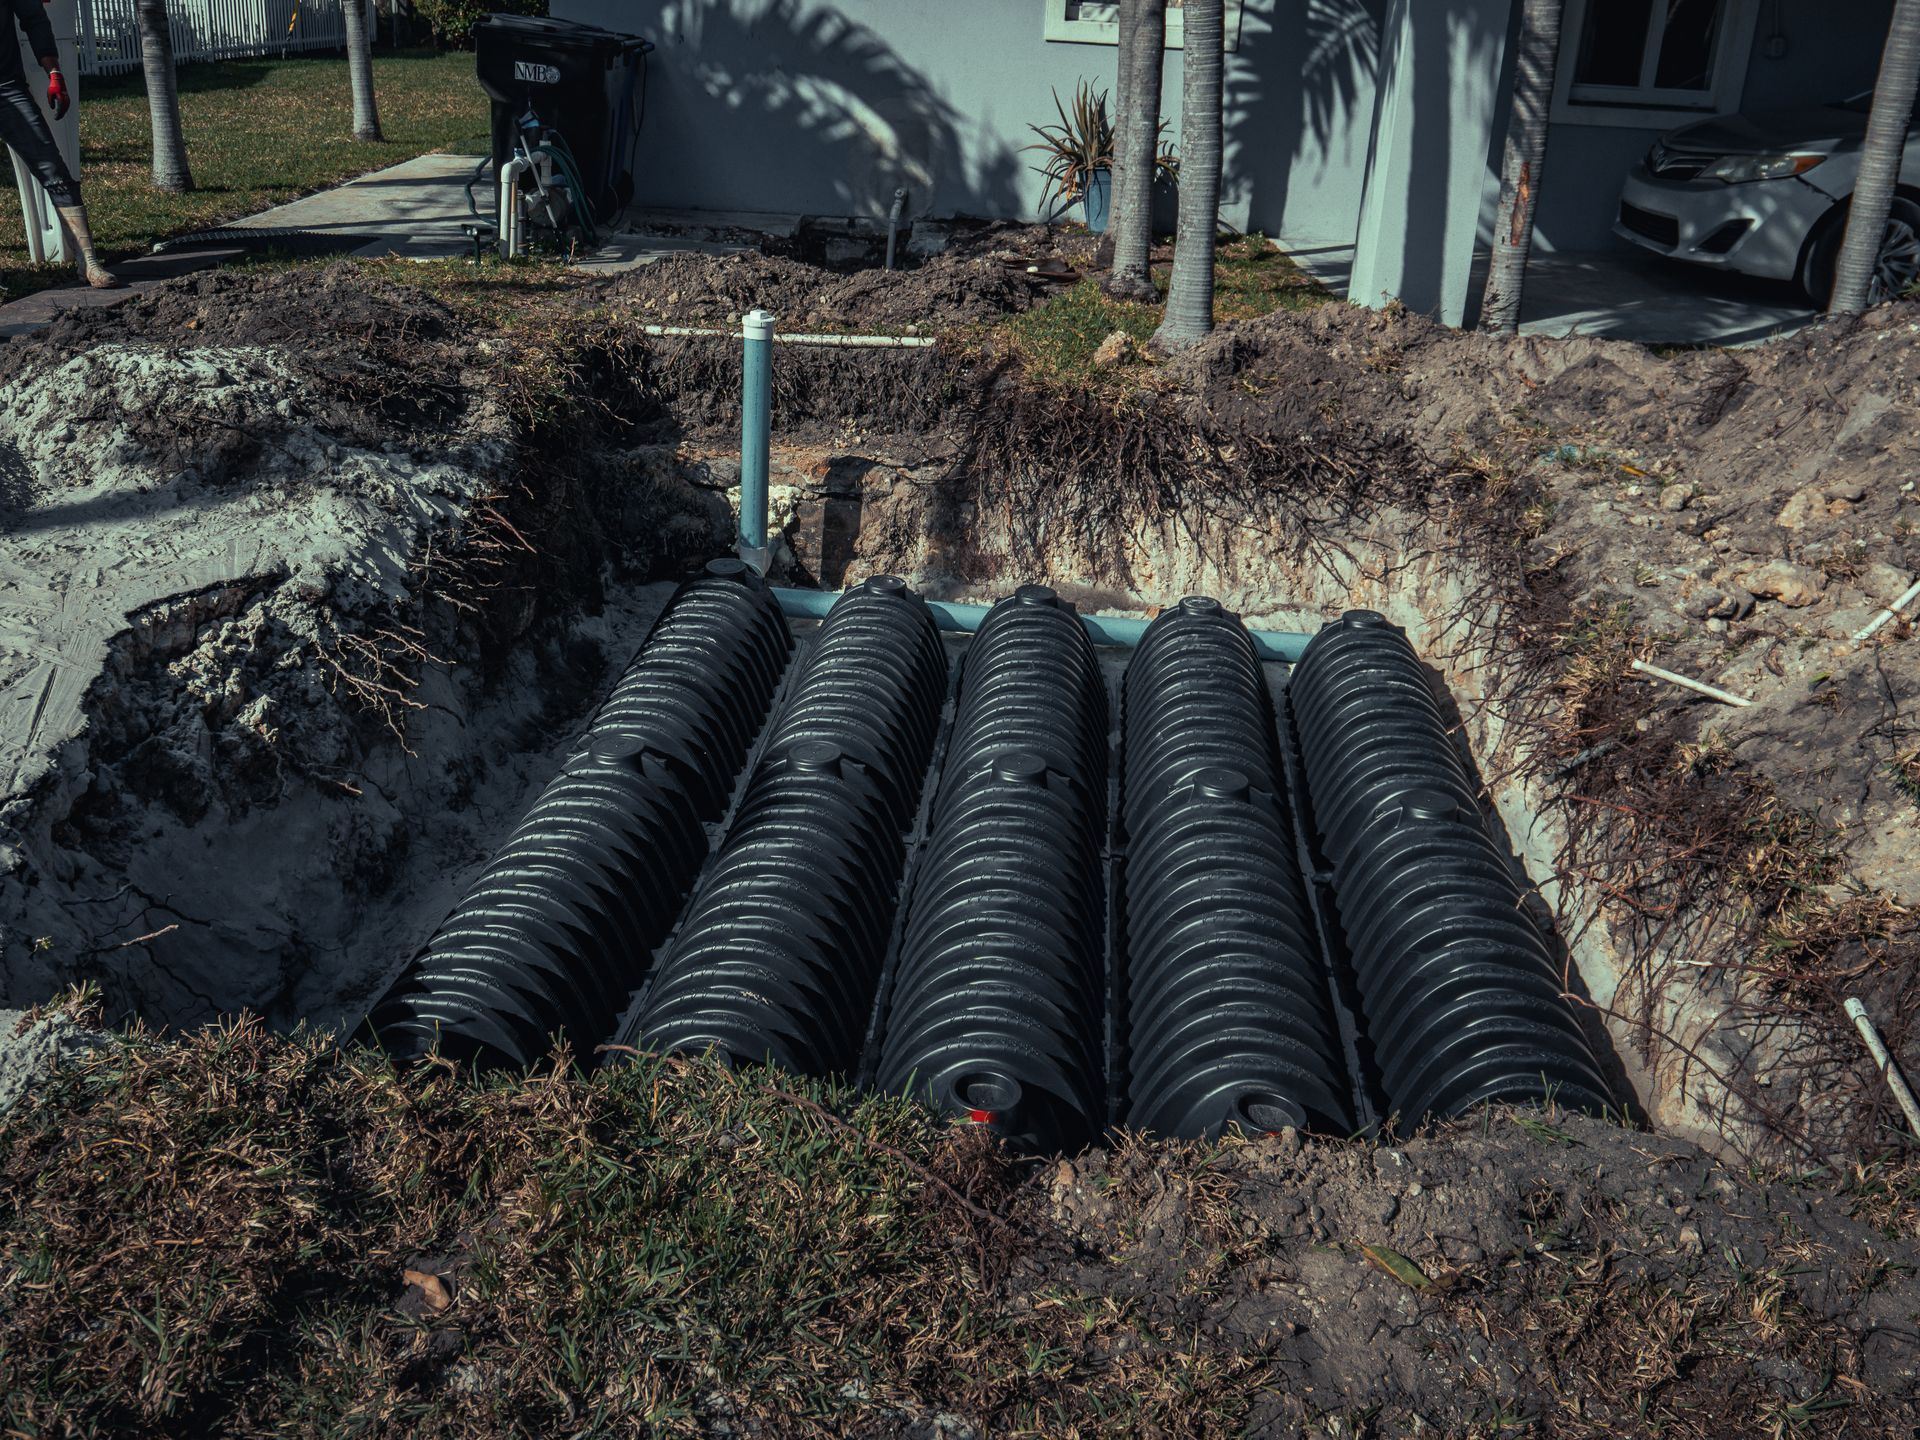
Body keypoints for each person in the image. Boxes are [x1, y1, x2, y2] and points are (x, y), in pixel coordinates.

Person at [2, 0, 119, 287]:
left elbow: (35, 18)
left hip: (6, 86)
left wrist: (54, 72)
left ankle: (88, 263)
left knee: (52, 167)